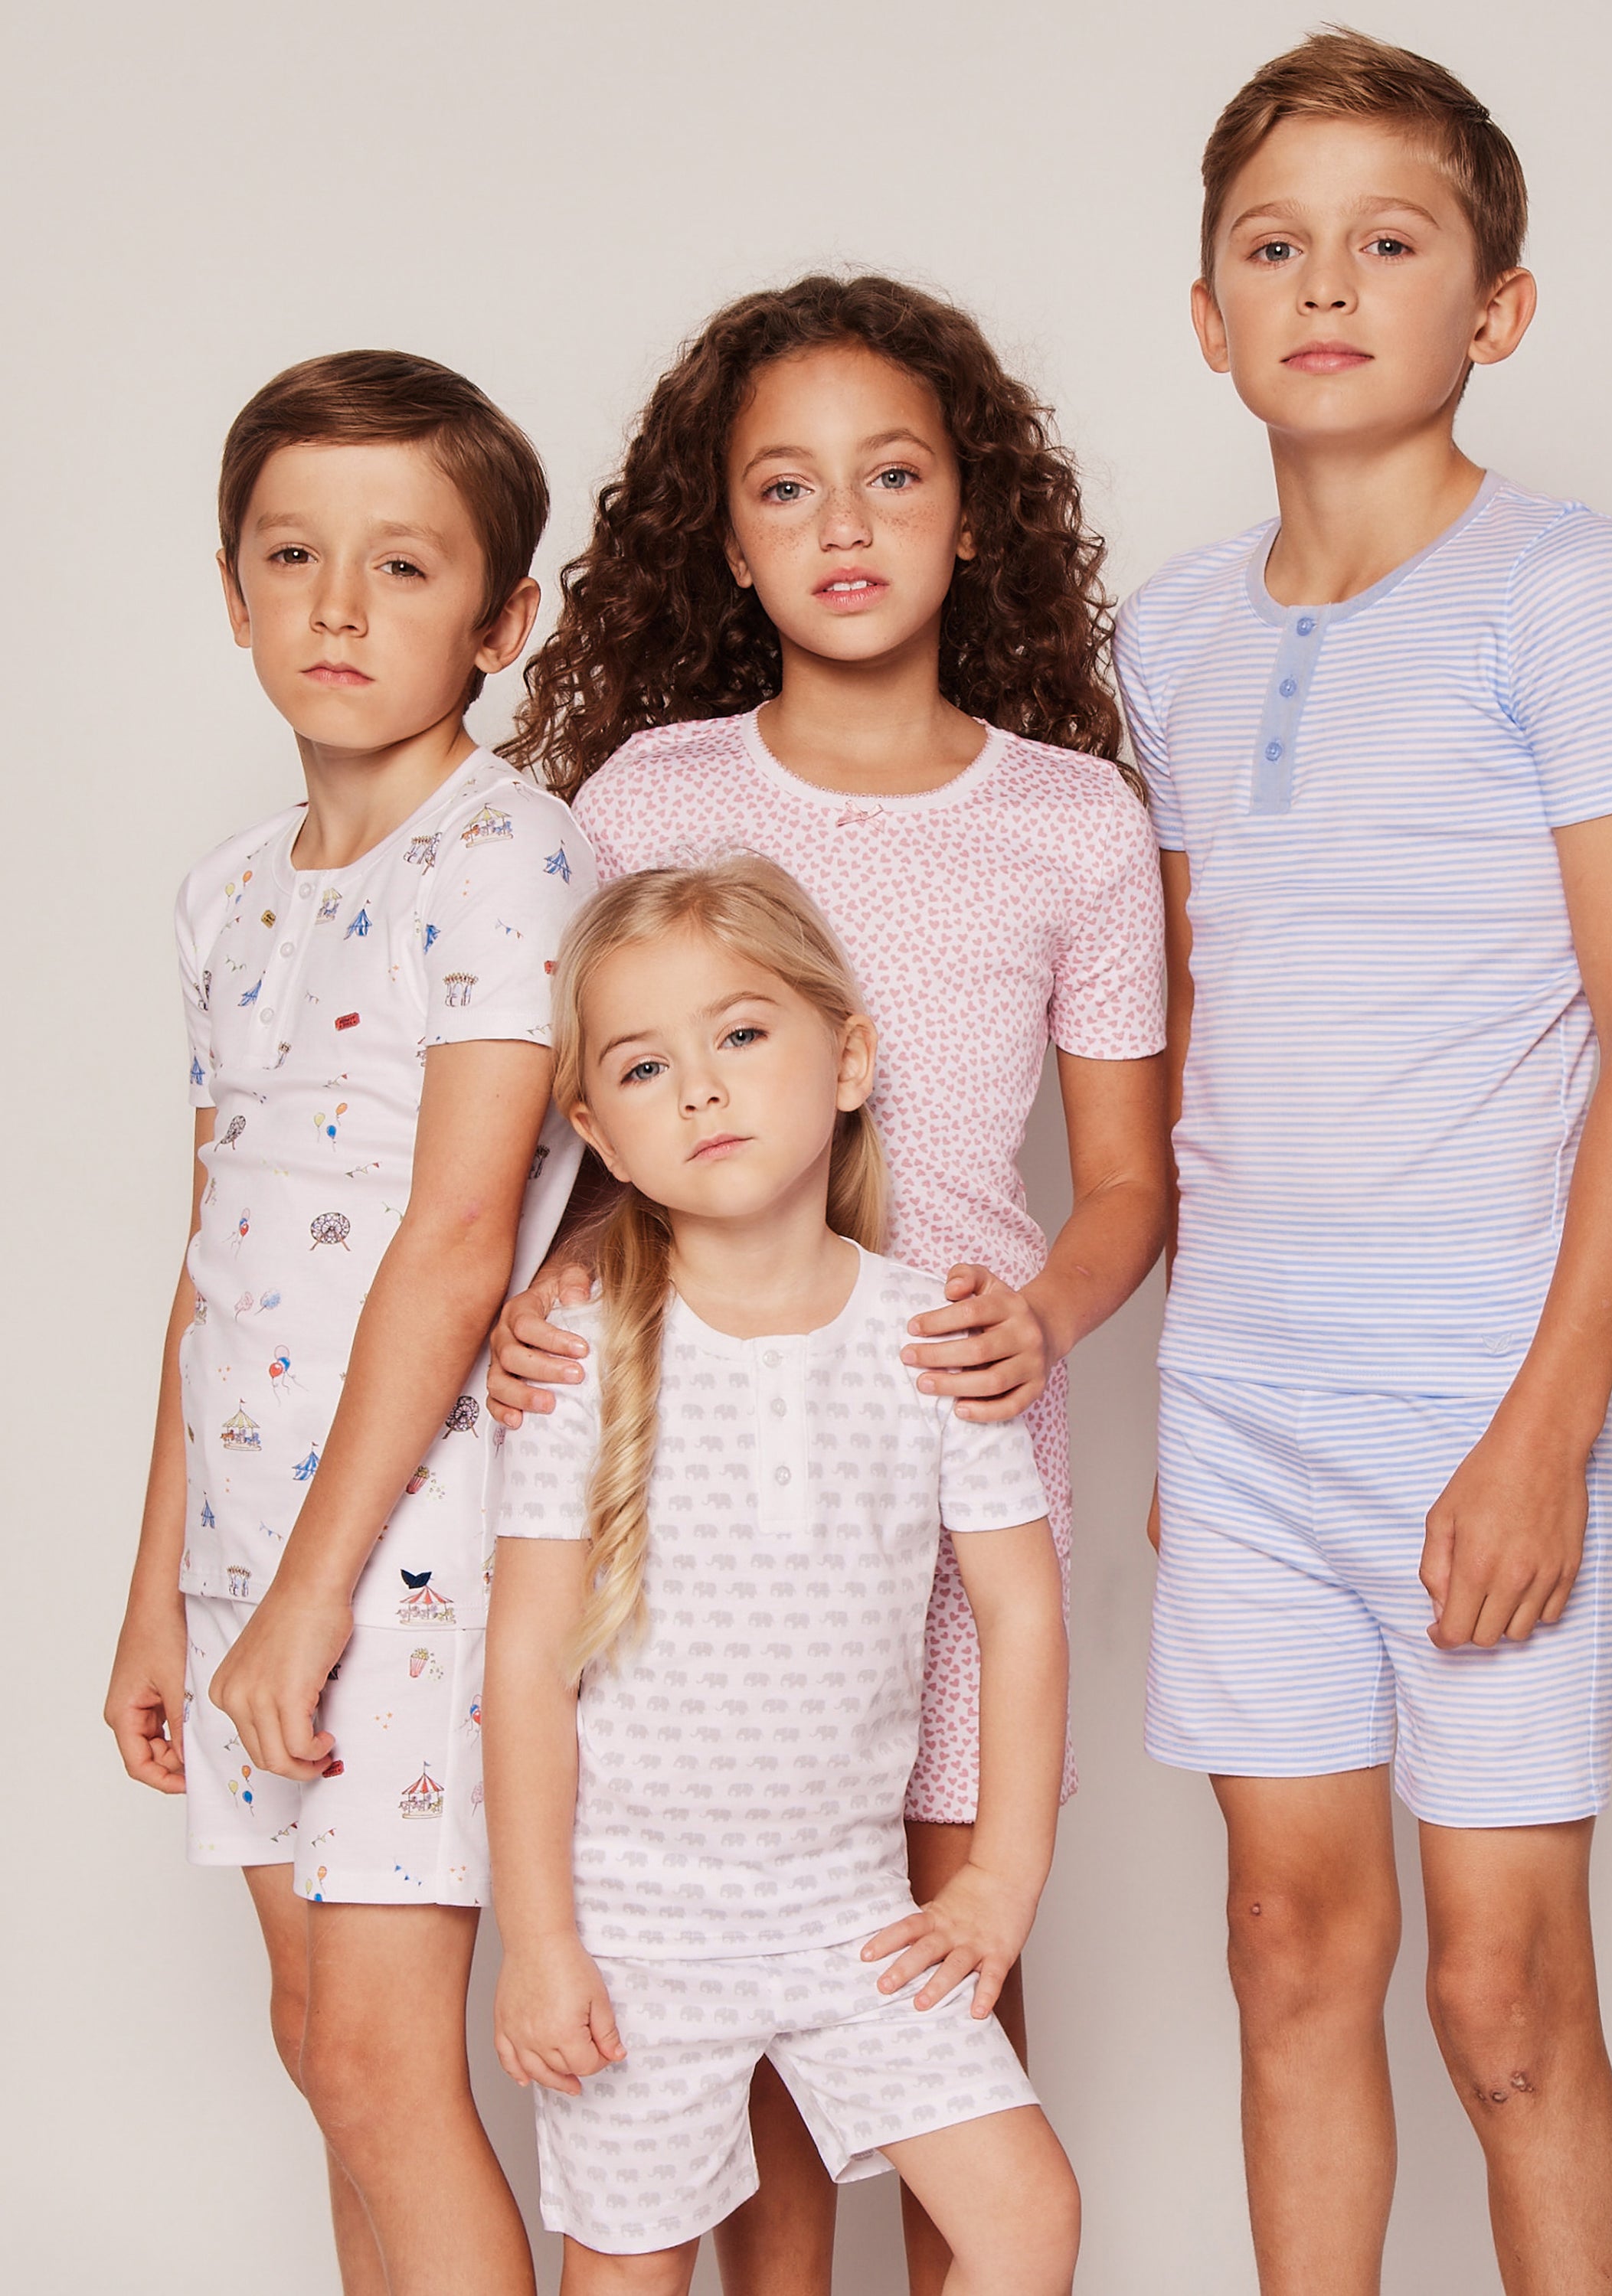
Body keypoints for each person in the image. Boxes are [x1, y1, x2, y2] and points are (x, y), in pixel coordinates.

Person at [489, 274, 1167, 2293]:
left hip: (945, 1449)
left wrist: (1036, 1321)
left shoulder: (1075, 820)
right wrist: (562, 1293)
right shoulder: (655, 801)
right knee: (739, 2082)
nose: (846, 523)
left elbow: (1123, 1185)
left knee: (943, 2011)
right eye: (789, 487)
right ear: (730, 540)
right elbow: (610, 1114)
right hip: (709, 1477)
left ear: (978, 516)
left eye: (893, 476)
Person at [1114, 31, 1612, 2296]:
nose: (1329, 282)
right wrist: (1191, 1384)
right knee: (1287, 1946)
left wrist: (1546, 1432)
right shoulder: (1163, 637)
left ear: (1502, 305)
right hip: (1245, 1399)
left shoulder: (1560, 589)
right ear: (1208, 319)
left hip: (1482, 1383)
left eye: (1393, 240)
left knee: (1506, 1996)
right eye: (1274, 246)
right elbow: (1171, 1062)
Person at [103, 351, 592, 2296]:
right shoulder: (229, 892)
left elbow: (462, 1234)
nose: (334, 605)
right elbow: (213, 1255)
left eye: (402, 567)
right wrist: (169, 1589)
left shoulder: (507, 858)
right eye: (293, 555)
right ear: (232, 592)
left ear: (502, 618)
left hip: (408, 1555)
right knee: (325, 2057)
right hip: (249, 1546)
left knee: (392, 2063)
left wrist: (309, 1598)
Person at [485, 854, 1080, 2296]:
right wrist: (541, 1941)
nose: (701, 1089)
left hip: (851, 1910)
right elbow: (522, 1666)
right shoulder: (579, 1356)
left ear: (851, 1056)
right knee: (629, 2273)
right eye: (644, 1066)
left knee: (1025, 2222)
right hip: (635, 1928)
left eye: (742, 1035)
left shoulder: (930, 1336)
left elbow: (1019, 1610)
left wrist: (1000, 1877)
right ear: (597, 1135)